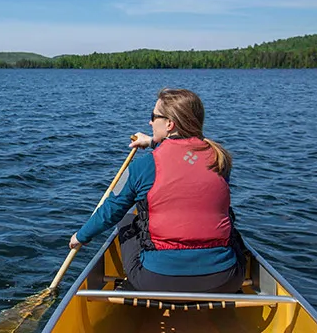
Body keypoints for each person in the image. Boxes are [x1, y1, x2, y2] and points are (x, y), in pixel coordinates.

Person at [69, 88, 245, 293]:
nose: (150, 122)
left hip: (158, 281)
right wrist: (153, 141)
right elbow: (186, 160)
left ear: (170, 124)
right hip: (225, 280)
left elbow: (111, 210)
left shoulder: (142, 166)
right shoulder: (221, 160)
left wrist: (80, 237)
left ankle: (131, 284)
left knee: (126, 219)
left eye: (154, 117)